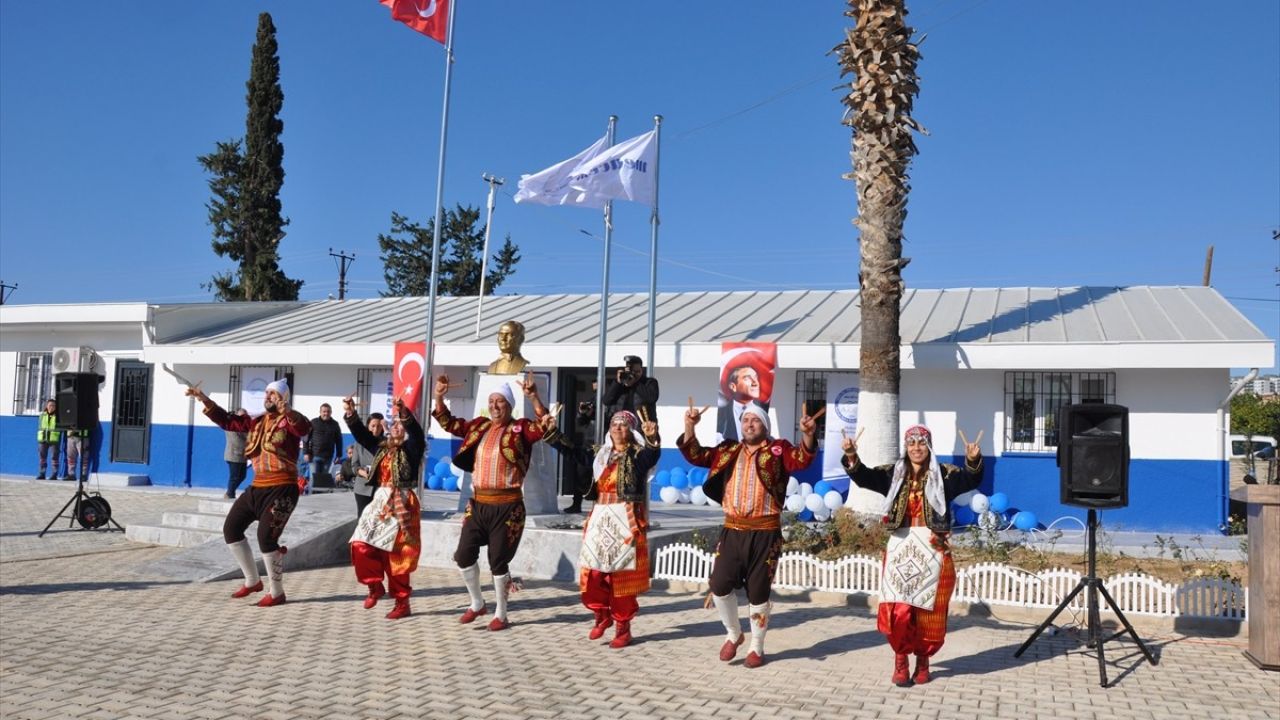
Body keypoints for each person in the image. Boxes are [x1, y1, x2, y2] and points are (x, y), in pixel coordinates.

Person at [842, 424, 983, 687]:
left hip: (933, 545)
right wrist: (851, 455)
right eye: (911, 444)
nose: (916, 448)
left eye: (921, 443)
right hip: (901, 545)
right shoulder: (892, 475)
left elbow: (971, 479)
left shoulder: (945, 475)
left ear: (928, 447)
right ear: (906, 447)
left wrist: (973, 460)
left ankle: (923, 662)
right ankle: (900, 661)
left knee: (928, 610)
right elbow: (864, 478)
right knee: (899, 608)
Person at [679, 401, 817, 668]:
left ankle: (756, 646)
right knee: (719, 586)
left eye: (755, 420)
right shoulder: (727, 449)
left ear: (764, 425)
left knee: (758, 592)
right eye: (745, 420)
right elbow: (696, 454)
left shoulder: (779, 450)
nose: (749, 424)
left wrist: (808, 434)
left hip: (765, 532)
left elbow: (801, 459)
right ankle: (733, 634)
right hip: (732, 529)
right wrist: (689, 427)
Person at [432, 373, 546, 631]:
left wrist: (534, 398)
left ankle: (502, 614)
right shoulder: (479, 426)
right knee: (463, 555)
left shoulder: (520, 428)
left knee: (498, 562)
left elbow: (543, 427)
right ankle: (476, 603)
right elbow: (449, 423)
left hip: (507, 506)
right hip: (478, 504)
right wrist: (439, 395)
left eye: (501, 402)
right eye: (492, 401)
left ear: (509, 405)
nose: (495, 406)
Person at [187, 379, 311, 606]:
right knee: (231, 529)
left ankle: (276, 592)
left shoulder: (290, 421)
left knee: (266, 538)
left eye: (273, 394)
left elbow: (304, 427)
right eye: (266, 393)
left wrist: (290, 412)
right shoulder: (256, 421)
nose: (268, 397)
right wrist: (204, 399)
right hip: (257, 487)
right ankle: (253, 580)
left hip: (282, 488)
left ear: (283, 398)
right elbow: (228, 421)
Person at [543, 409, 659, 648]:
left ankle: (623, 628)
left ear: (631, 430)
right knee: (593, 572)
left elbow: (651, 456)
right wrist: (552, 431)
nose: (618, 428)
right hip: (599, 516)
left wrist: (652, 439)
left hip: (624, 519)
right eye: (614, 424)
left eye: (624, 425)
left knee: (621, 576)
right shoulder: (599, 455)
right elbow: (572, 451)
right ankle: (601, 615)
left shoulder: (638, 455)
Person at [344, 396, 425, 620]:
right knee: (360, 543)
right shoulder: (381, 448)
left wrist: (404, 413)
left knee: (397, 556)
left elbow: (417, 434)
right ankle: (374, 586)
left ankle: (402, 603)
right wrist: (351, 413)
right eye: (394, 423)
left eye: (401, 423)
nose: (396, 426)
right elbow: (361, 435)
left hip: (403, 502)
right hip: (380, 500)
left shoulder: (412, 449)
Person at [560, 401, 596, 514]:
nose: (594, 385)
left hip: (602, 444)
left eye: (596, 382)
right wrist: (582, 412)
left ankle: (599, 505)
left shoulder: (610, 402)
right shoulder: (592, 402)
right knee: (580, 475)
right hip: (588, 444)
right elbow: (580, 422)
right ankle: (576, 504)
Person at [717, 365, 765, 442]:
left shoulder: (764, 410)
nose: (755, 383)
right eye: (747, 378)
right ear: (733, 386)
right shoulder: (720, 414)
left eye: (756, 377)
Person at [602, 355, 659, 420]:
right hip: (623, 425)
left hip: (642, 427)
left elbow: (651, 398)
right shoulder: (621, 384)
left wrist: (635, 383)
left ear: (642, 370)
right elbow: (606, 401)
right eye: (632, 372)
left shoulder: (649, 382)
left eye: (637, 372)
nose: (634, 375)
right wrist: (617, 383)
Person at [350, 412, 385, 517]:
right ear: (367, 426)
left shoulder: (387, 443)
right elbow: (354, 465)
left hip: (380, 488)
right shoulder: (359, 444)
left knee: (378, 519)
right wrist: (362, 472)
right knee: (362, 518)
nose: (375, 429)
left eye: (379, 426)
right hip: (363, 488)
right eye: (373, 426)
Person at [304, 403, 342, 491]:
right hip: (314, 456)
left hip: (328, 457)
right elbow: (306, 438)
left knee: (323, 480)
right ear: (320, 412)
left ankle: (321, 500)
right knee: (314, 479)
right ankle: (311, 499)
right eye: (324, 411)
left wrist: (339, 455)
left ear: (331, 412)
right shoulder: (313, 422)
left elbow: (339, 440)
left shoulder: (335, 424)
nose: (326, 413)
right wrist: (306, 453)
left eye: (328, 411)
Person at [223, 409, 250, 499]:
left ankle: (230, 492)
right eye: (241, 416)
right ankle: (230, 494)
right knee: (234, 476)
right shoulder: (232, 426)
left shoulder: (243, 426)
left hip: (242, 455)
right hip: (234, 454)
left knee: (242, 476)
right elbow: (242, 438)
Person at [35, 399, 61, 480]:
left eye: (53, 406)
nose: (51, 407)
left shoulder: (58, 417)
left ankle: (54, 474)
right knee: (42, 457)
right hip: (43, 439)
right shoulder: (42, 415)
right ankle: (42, 473)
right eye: (50, 405)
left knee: (54, 457)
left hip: (54, 439)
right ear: (47, 406)